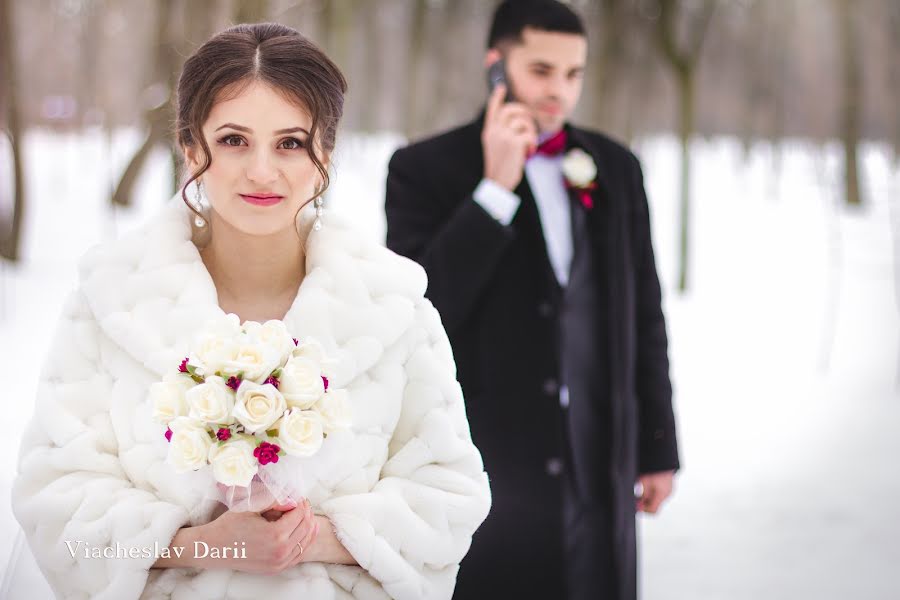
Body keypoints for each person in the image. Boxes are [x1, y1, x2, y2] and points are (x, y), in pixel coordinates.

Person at [10, 22, 490, 600]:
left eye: (290, 142)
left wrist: (312, 540)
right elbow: (56, 507)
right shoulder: (108, 303)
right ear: (193, 147)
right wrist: (210, 545)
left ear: (325, 155)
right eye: (234, 139)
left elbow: (448, 497)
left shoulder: (395, 308)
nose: (263, 171)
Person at [384, 1, 679, 598]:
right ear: (497, 65)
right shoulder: (423, 169)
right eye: (542, 71)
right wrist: (495, 189)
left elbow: (643, 313)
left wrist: (656, 445)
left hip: (601, 459)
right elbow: (420, 314)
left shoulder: (616, 168)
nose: (559, 93)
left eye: (573, 74)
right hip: (490, 463)